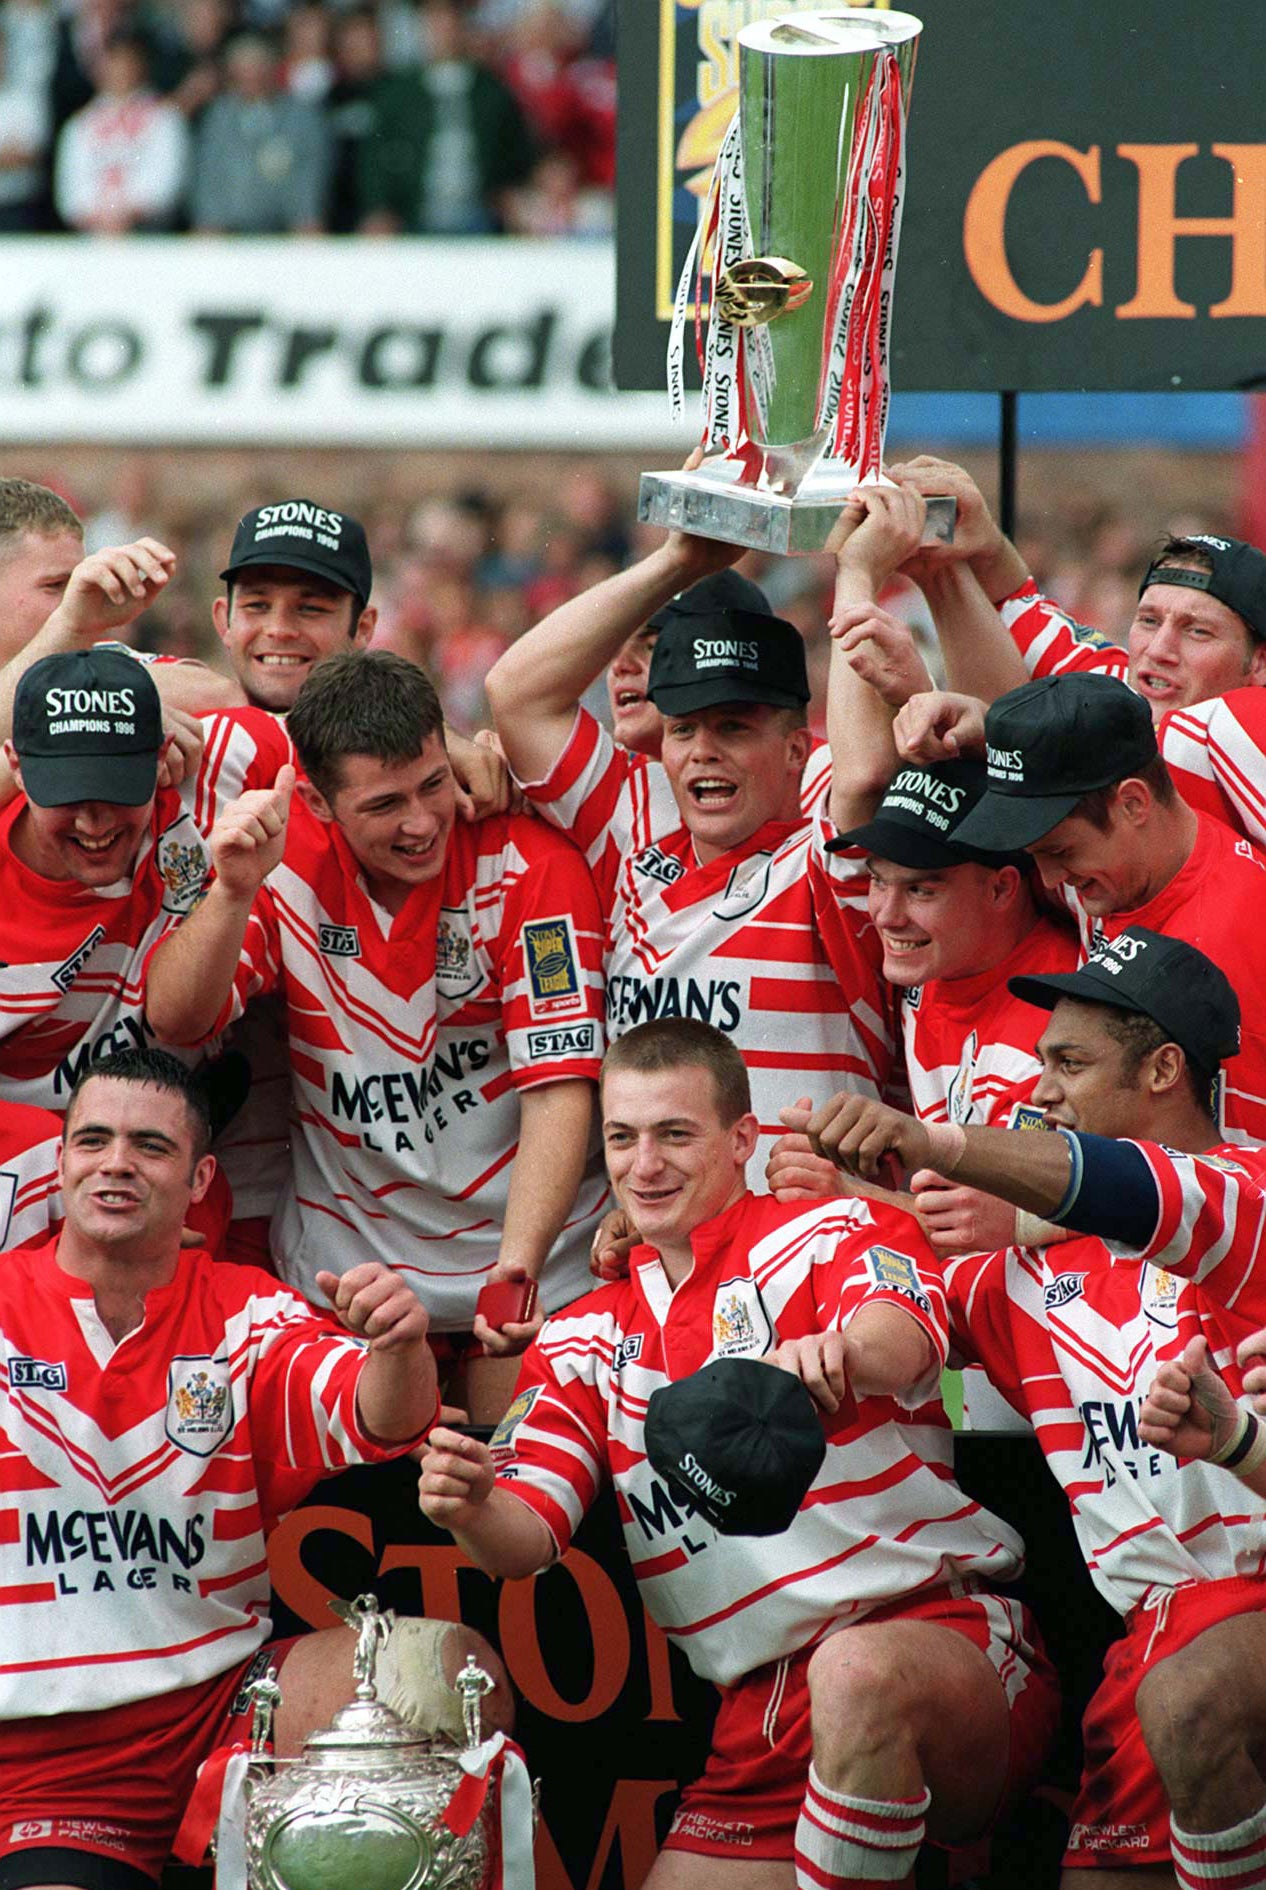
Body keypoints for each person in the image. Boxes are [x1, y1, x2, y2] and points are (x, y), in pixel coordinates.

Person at [419, 1017, 1058, 1889]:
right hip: (756, 1718)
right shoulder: (580, 1335)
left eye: (675, 1134)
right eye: (622, 1137)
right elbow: (527, 1538)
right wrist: (467, 1504)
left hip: (939, 1644)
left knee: (855, 1672)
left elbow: (907, 1334)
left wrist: (842, 1353)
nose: (644, 1165)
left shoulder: (826, 1229)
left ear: (742, 1140)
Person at [799, 927, 1266, 1886]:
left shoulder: (1247, 1199)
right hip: (1147, 1647)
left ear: (1165, 1069)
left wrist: (934, 1142)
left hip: (1244, 1617)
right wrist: (806, 1201)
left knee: (1188, 1700)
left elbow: (1139, 1189)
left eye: (1070, 1062)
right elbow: (908, 1301)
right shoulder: (1019, 1282)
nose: (1041, 1089)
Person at [0, 1047, 513, 1890]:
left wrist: (400, 1342)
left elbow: (380, 1413)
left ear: (201, 1178)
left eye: (150, 1146)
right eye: (92, 1141)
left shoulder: (245, 1309)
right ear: (59, 1165)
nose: (116, 1163)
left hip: (224, 1711)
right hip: (46, 1766)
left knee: (447, 1681)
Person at [144, 650, 609, 1423]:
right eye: (386, 804)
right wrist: (231, 891)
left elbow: (558, 1088)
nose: (423, 821)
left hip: (534, 1263)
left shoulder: (529, 862)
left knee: (517, 1488)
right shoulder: (277, 857)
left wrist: (516, 1269)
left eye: (434, 783)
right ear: (323, 807)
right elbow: (176, 1019)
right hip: (348, 1279)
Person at [487, 491, 935, 1174]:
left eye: (732, 728)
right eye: (685, 729)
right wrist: (677, 559)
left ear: (798, 747)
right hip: (662, 1250)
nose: (702, 751)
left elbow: (864, 777)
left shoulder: (823, 847)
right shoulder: (634, 819)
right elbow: (516, 692)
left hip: (806, 1248)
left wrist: (856, 574)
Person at [907, 670, 1266, 1145]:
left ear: (1134, 804)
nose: (1052, 881)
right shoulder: (1144, 828)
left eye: (1060, 852)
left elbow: (1231, 1186)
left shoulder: (1226, 957)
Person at [892, 454, 1266, 846]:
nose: (1159, 650)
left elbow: (1108, 748)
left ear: (1259, 663)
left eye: (1198, 631)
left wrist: (991, 732)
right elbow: (1019, 605)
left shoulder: (1243, 726)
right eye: (1149, 621)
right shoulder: (1121, 692)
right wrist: (981, 542)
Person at [0, 647, 290, 1123]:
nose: (94, 823)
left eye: (119, 790)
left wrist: (460, 756)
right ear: (15, 765)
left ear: (161, 755)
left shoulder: (223, 766)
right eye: (66, 793)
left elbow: (359, 733)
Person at [53, 32, 188, 233]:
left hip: (150, 235)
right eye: (112, 61)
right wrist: (100, 217)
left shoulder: (165, 119)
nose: (120, 70)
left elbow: (167, 182)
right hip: (91, 238)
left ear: (141, 65)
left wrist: (128, 213)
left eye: (127, 61)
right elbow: (70, 194)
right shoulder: (80, 124)